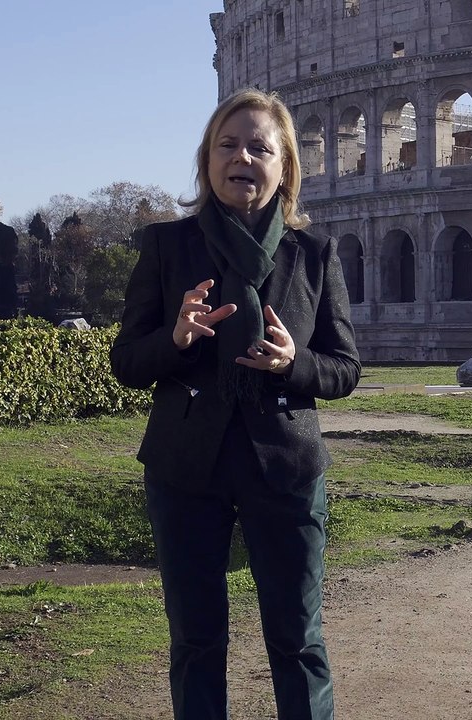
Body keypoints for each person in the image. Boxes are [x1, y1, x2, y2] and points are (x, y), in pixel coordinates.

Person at [110, 87, 361, 720]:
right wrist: (174, 338)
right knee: (196, 641)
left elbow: (346, 368)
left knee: (297, 638)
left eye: (260, 147)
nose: (242, 157)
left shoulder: (314, 255)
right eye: (228, 145)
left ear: (284, 169)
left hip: (285, 466)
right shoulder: (166, 246)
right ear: (206, 160)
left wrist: (293, 364)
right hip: (186, 467)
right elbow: (126, 363)